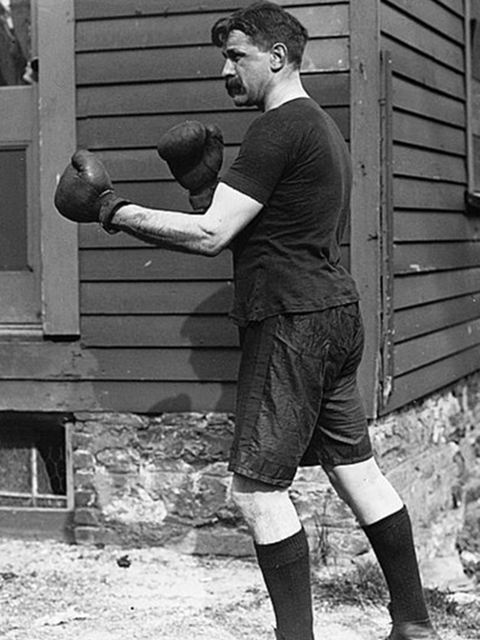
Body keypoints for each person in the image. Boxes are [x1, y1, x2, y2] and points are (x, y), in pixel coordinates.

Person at [54, 3, 442, 639]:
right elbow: (266, 228)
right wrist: (203, 189)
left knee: (257, 492)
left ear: (278, 57)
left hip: (290, 321)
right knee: (358, 473)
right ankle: (414, 624)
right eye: (224, 58)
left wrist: (109, 209)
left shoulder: (276, 128)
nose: (225, 70)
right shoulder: (319, 126)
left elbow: (212, 236)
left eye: (237, 56)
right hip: (332, 314)